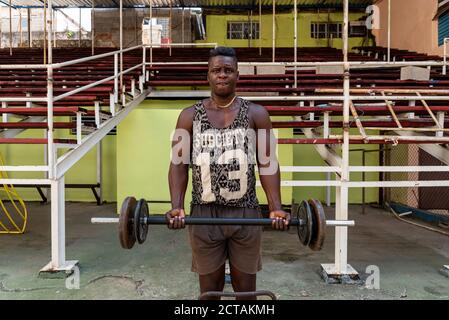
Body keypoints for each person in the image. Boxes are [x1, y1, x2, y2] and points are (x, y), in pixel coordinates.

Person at [166, 46, 290, 300]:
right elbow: (178, 164)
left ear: (237, 75)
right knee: (209, 293)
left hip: (246, 214)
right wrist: (176, 206)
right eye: (216, 70)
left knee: (246, 294)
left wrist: (275, 206)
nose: (222, 75)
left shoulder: (257, 114)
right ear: (208, 75)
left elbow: (268, 163)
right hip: (204, 213)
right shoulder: (188, 116)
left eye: (228, 70)